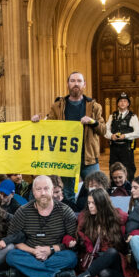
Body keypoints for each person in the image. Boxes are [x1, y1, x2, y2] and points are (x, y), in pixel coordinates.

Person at [31, 72, 106, 202]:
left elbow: (103, 130)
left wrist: (92, 121)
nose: (75, 83)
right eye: (72, 80)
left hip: (88, 157)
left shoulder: (94, 106)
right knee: (67, 194)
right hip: (66, 158)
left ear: (84, 84)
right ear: (67, 84)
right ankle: (70, 219)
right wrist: (37, 123)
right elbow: (48, 127)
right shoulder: (57, 106)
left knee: (96, 192)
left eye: (79, 81)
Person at [5, 175, 79, 277]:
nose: (43, 193)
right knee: (11, 256)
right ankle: (55, 276)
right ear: (33, 192)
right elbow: (12, 239)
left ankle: (25, 273)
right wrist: (34, 251)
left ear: (52, 190)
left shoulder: (65, 211)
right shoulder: (23, 211)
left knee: (71, 258)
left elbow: (73, 242)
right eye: (38, 189)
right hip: (30, 254)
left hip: (55, 255)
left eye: (46, 188)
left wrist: (51, 250)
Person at [65, 188, 136, 277]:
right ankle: (90, 274)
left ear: (102, 203)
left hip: (115, 259)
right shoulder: (85, 218)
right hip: (96, 259)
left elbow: (133, 227)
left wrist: (132, 235)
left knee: (111, 252)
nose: (90, 206)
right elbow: (74, 235)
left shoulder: (118, 216)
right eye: (89, 203)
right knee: (103, 274)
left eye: (94, 203)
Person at [106, 92, 139, 180]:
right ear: (117, 103)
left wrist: (125, 136)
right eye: (120, 101)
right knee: (113, 168)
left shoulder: (133, 116)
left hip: (126, 148)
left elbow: (138, 133)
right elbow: (105, 130)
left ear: (128, 104)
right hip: (114, 148)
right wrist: (111, 136)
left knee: (128, 169)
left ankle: (128, 189)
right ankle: (114, 189)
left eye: (125, 101)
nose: (122, 103)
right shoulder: (112, 116)